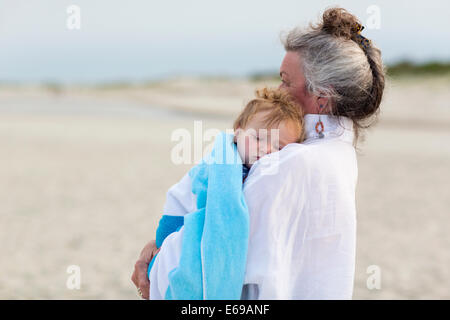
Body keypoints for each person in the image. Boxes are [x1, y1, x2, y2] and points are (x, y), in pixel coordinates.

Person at [132, 7, 385, 299]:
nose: (278, 90)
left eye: (286, 80)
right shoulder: (339, 156)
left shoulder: (284, 165)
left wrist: (153, 261)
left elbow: (209, 251)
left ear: (321, 98)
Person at [145, 87, 305, 299]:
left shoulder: (269, 176)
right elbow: (179, 197)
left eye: (278, 146)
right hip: (188, 246)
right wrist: (162, 242)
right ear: (238, 132)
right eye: (258, 138)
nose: (266, 149)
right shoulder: (215, 164)